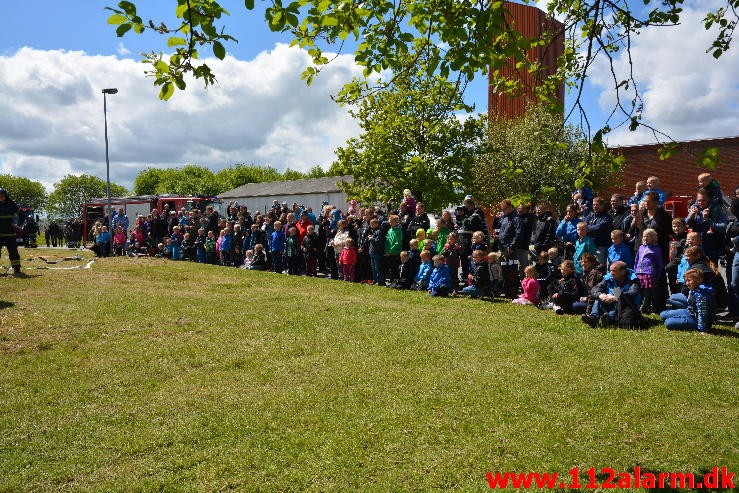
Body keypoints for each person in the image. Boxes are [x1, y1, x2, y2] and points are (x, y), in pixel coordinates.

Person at [581, 261, 642, 328]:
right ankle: (594, 318)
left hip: (627, 305)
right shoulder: (608, 278)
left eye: (614, 271)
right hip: (610, 301)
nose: (611, 273)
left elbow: (632, 293)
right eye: (610, 270)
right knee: (598, 299)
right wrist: (600, 295)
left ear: (623, 272)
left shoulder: (633, 280)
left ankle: (610, 319)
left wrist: (615, 297)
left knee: (619, 302)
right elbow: (595, 288)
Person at [660, 268, 714, 332]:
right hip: (690, 312)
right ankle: (681, 318)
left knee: (668, 323)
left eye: (689, 280)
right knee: (663, 314)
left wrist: (702, 329)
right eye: (686, 281)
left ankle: (691, 323)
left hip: (696, 320)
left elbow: (702, 314)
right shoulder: (694, 288)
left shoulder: (701, 295)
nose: (687, 283)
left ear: (699, 280)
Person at [0, 189, 21, 274]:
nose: (1, 197)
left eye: (2, 196)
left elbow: (21, 215)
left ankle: (16, 268)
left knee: (13, 251)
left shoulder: (12, 205)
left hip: (10, 233)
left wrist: (18, 224)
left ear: (6, 196)